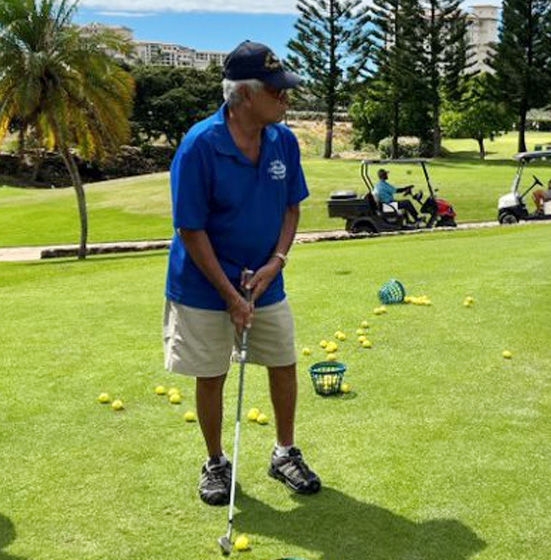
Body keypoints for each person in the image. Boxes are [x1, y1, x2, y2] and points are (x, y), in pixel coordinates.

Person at [163, 40, 320, 507]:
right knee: (211, 375)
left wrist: (277, 263)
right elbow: (191, 230)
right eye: (278, 91)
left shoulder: (283, 141)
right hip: (202, 286)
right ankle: (215, 461)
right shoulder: (199, 146)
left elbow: (292, 208)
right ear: (246, 95)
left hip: (265, 280)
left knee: (283, 362)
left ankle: (284, 452)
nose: (286, 99)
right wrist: (231, 295)